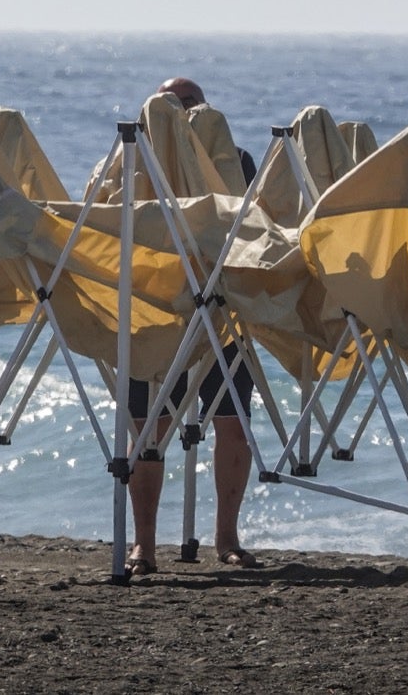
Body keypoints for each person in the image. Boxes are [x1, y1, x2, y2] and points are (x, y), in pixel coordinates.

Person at [125, 76, 258, 575]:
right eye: (169, 106)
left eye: (191, 106)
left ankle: (226, 536)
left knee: (232, 422)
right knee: (146, 428)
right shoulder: (134, 165)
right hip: (156, 309)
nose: (181, 115)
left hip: (221, 311)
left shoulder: (235, 162)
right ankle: (144, 545)